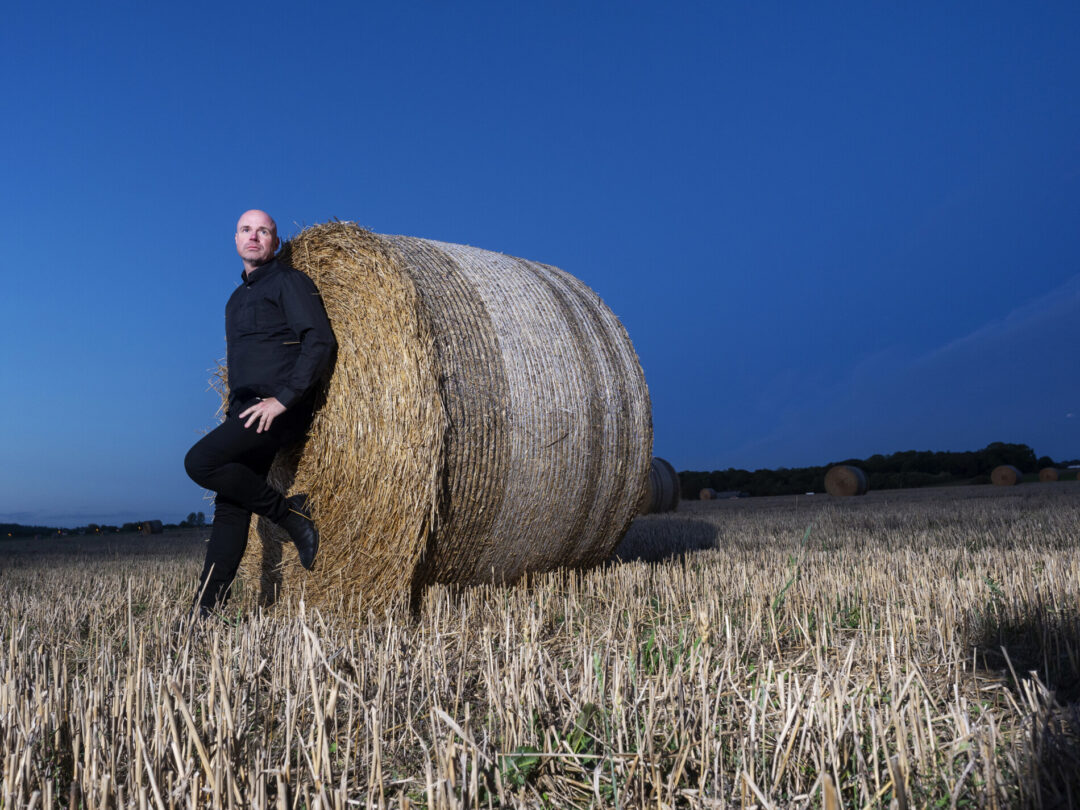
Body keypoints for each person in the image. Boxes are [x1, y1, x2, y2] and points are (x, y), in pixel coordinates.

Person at [184, 210, 336, 617]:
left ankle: (288, 515)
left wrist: (283, 400)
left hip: (280, 409)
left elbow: (319, 342)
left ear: (276, 242)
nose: (254, 237)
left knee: (198, 461)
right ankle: (206, 611)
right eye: (247, 230)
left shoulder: (289, 283)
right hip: (246, 412)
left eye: (263, 231)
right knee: (231, 506)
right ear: (235, 240)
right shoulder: (235, 300)